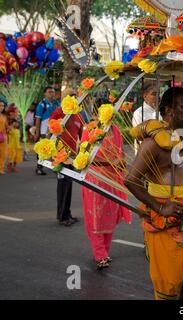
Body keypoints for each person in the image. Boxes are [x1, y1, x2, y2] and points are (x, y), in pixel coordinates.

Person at [125, 87, 183, 300]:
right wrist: (160, 208)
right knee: (169, 282)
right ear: (168, 110)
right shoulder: (153, 143)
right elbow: (130, 180)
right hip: (168, 220)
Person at [82, 98, 131, 270]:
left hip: (112, 178)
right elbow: (83, 153)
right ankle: (100, 254)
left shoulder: (115, 130)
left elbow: (121, 153)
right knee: (95, 217)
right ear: (97, 113)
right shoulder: (90, 129)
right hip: (95, 178)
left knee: (109, 215)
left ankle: (105, 251)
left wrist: (121, 163)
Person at [50, 88, 83, 226]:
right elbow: (52, 127)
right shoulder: (59, 112)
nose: (73, 99)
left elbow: (81, 135)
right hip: (61, 157)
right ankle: (62, 217)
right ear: (64, 98)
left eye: (75, 97)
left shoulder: (77, 115)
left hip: (72, 157)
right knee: (63, 186)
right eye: (70, 96)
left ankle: (66, 213)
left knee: (68, 185)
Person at [34, 86, 60, 175]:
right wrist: (37, 133)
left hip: (55, 131)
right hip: (44, 131)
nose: (52, 94)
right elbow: (38, 119)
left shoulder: (57, 103)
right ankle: (39, 167)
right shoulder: (42, 104)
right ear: (45, 93)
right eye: (49, 92)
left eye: (53, 92)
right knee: (43, 150)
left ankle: (55, 167)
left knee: (55, 148)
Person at [0, 100, 8, 174]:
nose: (1, 107)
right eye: (0, 105)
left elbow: (6, 127)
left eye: (2, 106)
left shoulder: (4, 116)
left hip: (3, 137)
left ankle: (1, 168)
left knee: (3, 154)